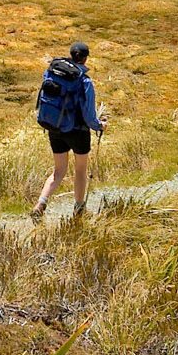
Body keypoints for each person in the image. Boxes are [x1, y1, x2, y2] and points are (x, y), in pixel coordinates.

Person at [31, 41, 104, 221]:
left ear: (71, 55)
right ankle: (79, 209)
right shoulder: (84, 80)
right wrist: (99, 125)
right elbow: (88, 115)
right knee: (80, 170)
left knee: (59, 170)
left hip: (54, 127)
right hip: (78, 131)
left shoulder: (52, 72)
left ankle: (40, 204)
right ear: (86, 58)